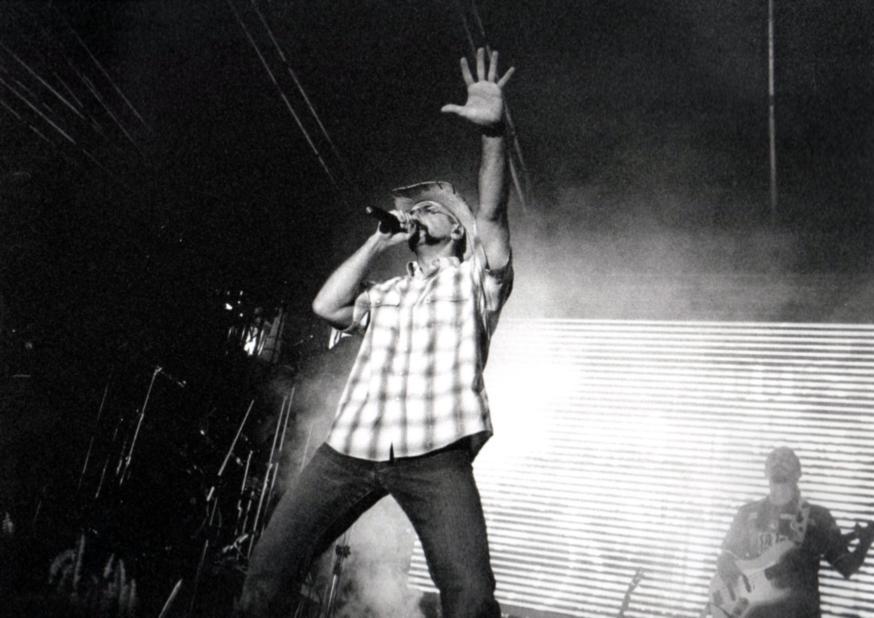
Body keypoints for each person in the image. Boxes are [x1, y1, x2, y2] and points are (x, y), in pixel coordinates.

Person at [238, 47, 515, 618]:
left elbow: (490, 214)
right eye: (415, 210)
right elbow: (326, 305)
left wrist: (494, 134)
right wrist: (376, 242)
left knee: (471, 597)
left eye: (431, 210)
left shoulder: (475, 278)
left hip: (436, 452)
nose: (418, 215)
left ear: (455, 232)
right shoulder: (385, 293)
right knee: (268, 571)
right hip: (351, 448)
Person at [713, 447, 873, 618]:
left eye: (786, 461)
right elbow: (725, 558)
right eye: (774, 461)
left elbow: (847, 567)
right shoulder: (748, 514)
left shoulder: (817, 517)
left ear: (798, 473)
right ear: (765, 472)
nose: (779, 464)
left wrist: (865, 542)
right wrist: (738, 583)